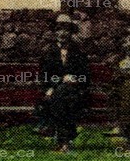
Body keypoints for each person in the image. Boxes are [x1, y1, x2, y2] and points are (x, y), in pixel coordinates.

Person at [35, 13, 91, 153]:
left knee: (62, 95)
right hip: (57, 95)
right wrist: (57, 83)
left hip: (76, 93)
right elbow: (45, 76)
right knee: (61, 97)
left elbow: (85, 76)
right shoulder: (48, 52)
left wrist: (75, 79)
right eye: (59, 30)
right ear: (55, 32)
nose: (62, 33)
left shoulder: (78, 51)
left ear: (70, 33)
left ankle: (55, 134)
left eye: (66, 30)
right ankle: (65, 142)